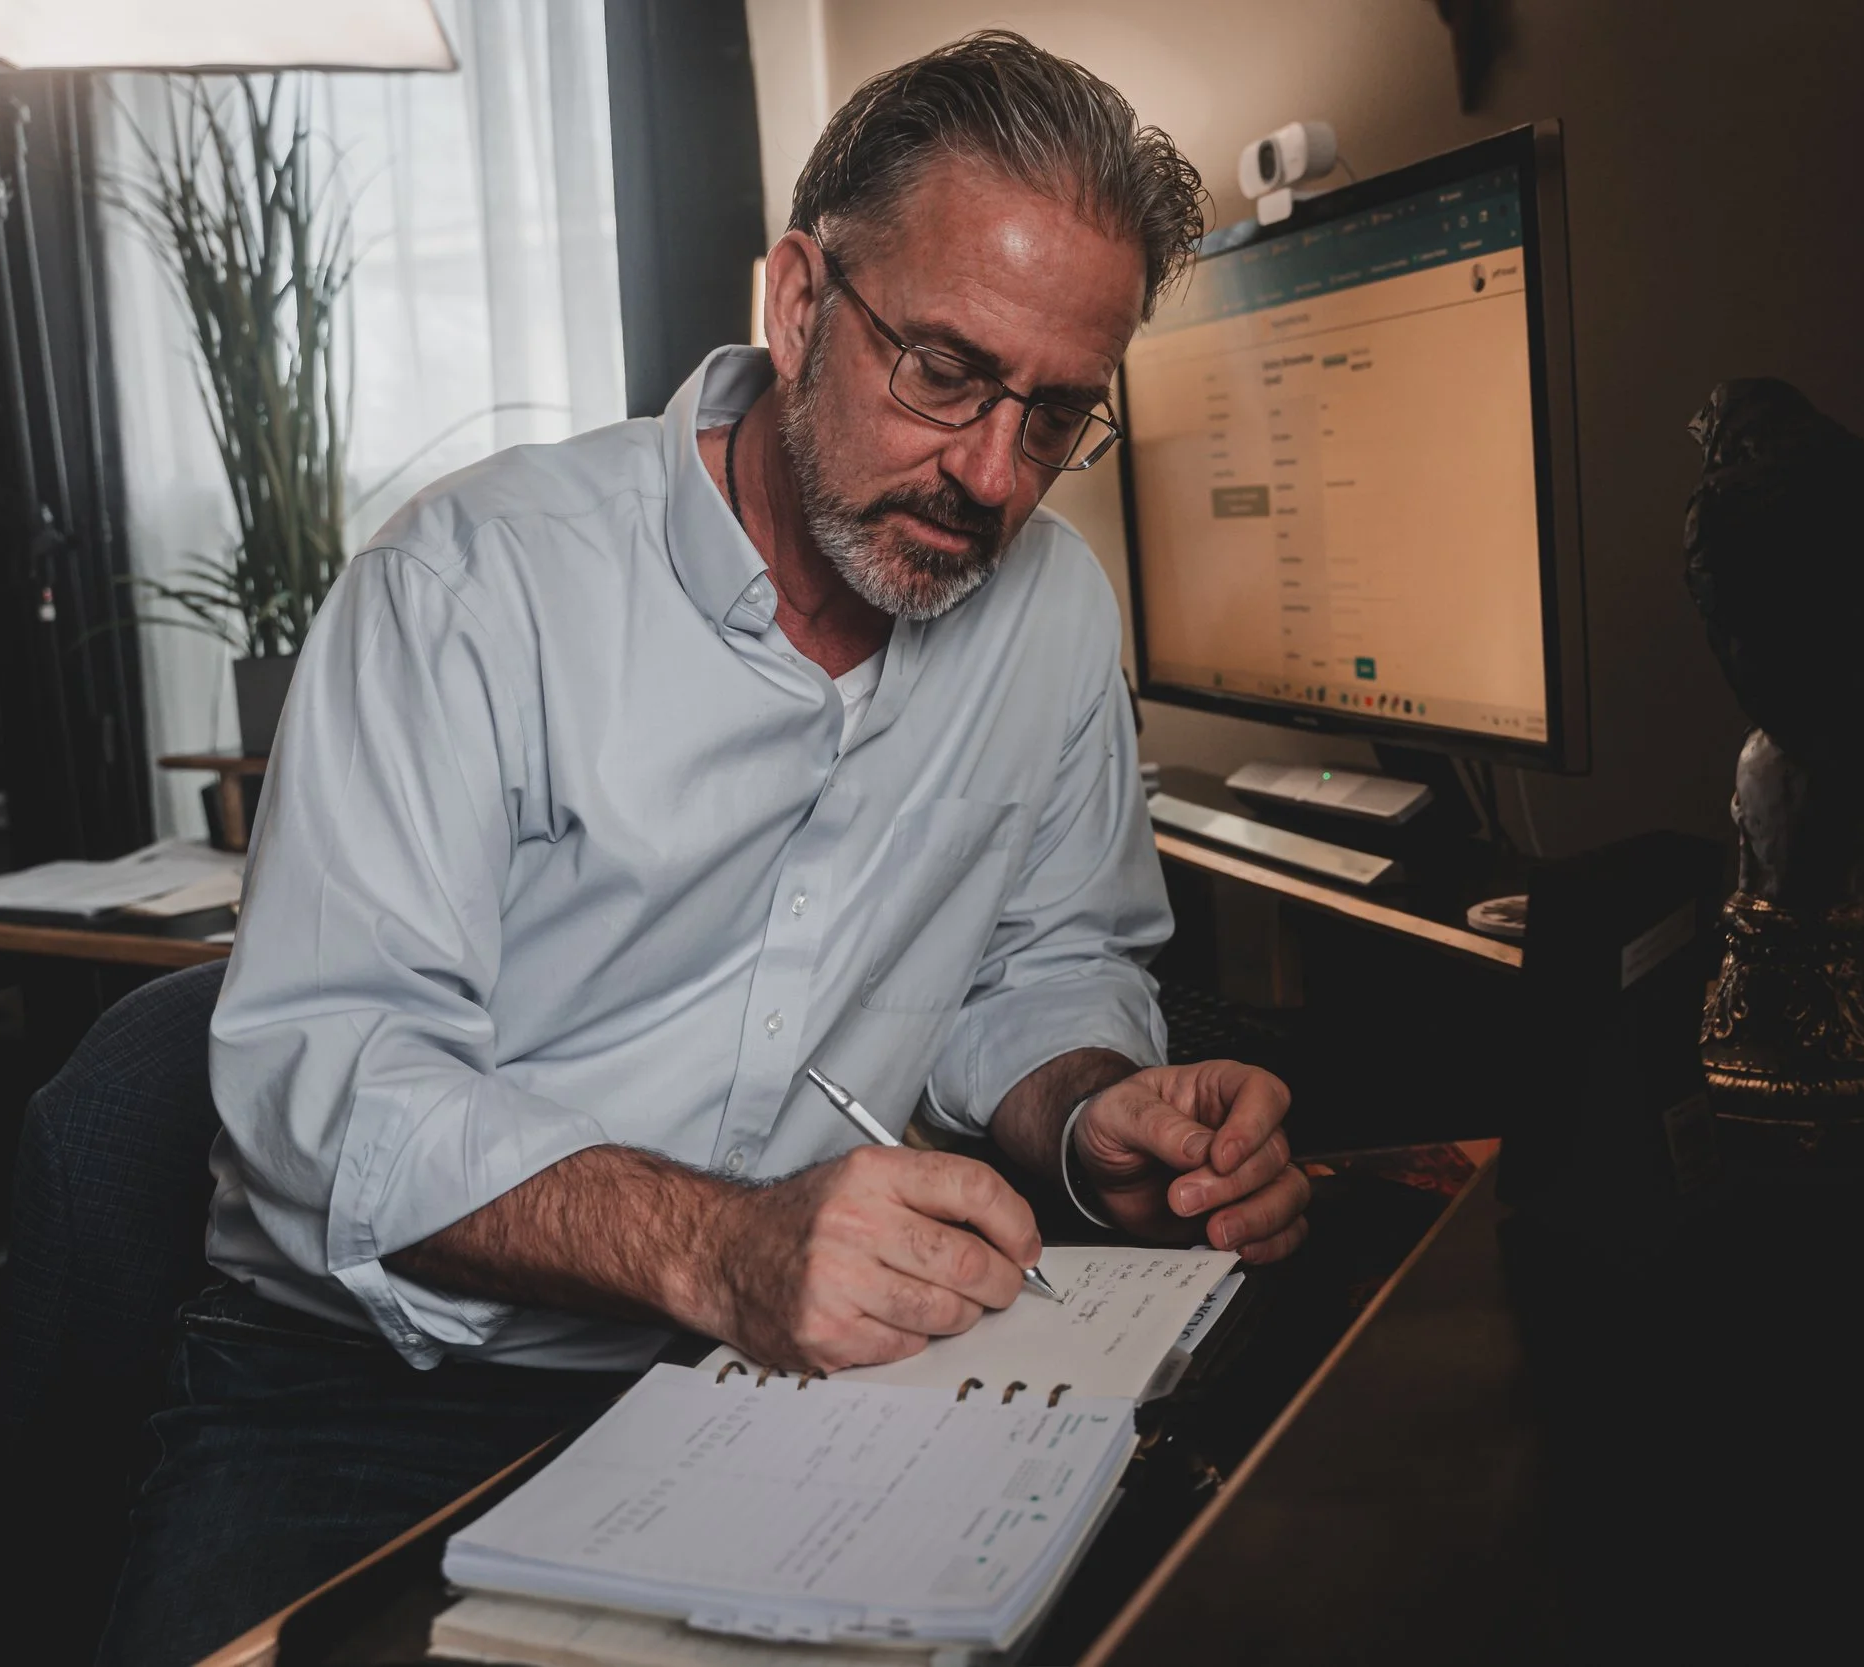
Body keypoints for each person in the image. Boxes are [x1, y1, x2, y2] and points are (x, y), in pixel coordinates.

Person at [96, 30, 1310, 1666]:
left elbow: (1044, 961)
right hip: (375, 1391)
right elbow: (334, 1077)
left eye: (1056, 414)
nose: (991, 474)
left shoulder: (1049, 618)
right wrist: (721, 1244)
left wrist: (1096, 1105)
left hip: (797, 1384)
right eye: (945, 370)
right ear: (800, 301)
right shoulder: (472, 587)